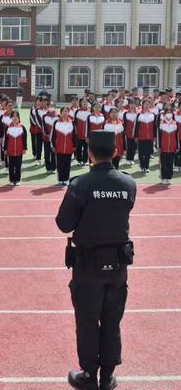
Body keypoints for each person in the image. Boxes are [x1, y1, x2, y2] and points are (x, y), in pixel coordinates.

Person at [56, 130, 136, 390]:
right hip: (118, 265)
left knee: (88, 320)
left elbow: (64, 224)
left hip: (88, 264)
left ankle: (89, 375)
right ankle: (108, 376)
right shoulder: (128, 184)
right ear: (115, 152)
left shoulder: (81, 184)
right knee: (112, 320)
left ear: (89, 154)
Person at [51, 106, 76, 186]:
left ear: (69, 113)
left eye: (66, 111)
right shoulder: (56, 122)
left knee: (67, 165)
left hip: (69, 148)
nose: (65, 113)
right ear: (60, 113)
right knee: (60, 164)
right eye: (63, 111)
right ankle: (60, 179)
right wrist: (53, 146)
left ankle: (66, 179)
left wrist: (74, 146)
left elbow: (74, 135)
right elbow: (52, 136)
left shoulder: (72, 122)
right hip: (59, 148)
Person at [3, 110, 27, 186]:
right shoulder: (8, 127)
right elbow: (6, 140)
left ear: (19, 118)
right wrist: (5, 149)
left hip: (19, 150)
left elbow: (24, 139)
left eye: (16, 116)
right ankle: (11, 180)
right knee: (11, 166)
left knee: (18, 166)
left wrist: (24, 148)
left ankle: (17, 180)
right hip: (10, 151)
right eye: (13, 116)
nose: (15, 117)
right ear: (11, 117)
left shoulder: (22, 127)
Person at [157, 109, 179, 185]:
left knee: (170, 164)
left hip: (172, 148)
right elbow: (159, 136)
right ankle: (163, 178)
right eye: (167, 113)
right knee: (163, 164)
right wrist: (158, 146)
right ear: (165, 114)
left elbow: (177, 136)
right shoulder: (161, 123)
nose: (169, 114)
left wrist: (177, 147)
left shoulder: (174, 123)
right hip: (163, 148)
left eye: (170, 112)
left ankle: (169, 178)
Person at [134, 100, 156, 174]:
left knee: (148, 153)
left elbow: (155, 127)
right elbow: (136, 126)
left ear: (150, 105)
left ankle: (146, 167)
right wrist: (136, 136)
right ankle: (141, 167)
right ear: (142, 105)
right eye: (145, 104)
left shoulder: (153, 114)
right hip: (141, 137)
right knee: (141, 153)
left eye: (148, 104)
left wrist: (155, 136)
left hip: (150, 137)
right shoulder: (139, 114)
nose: (146, 105)